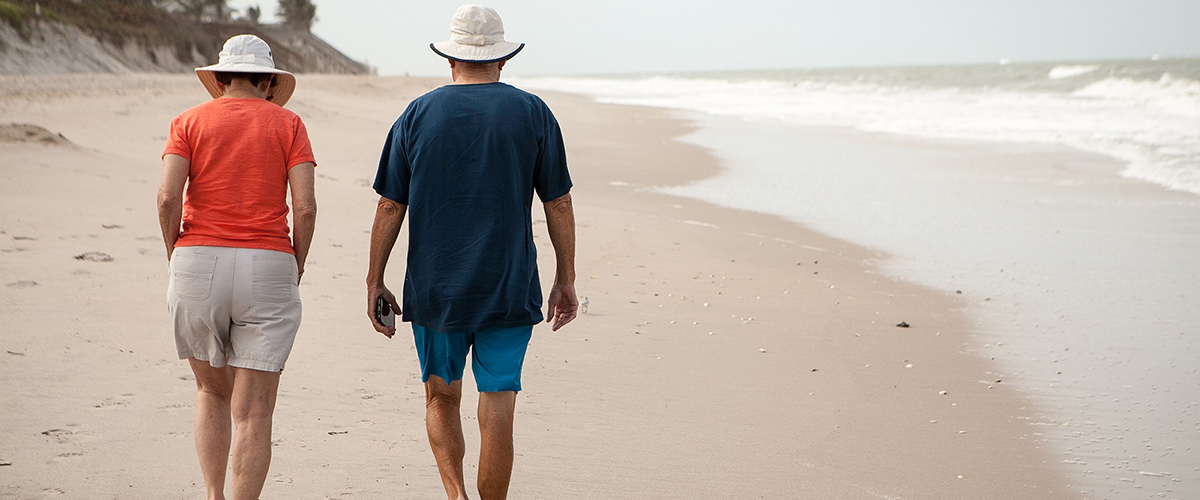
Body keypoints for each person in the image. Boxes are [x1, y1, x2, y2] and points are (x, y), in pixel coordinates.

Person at [367, 5, 578, 499]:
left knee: (441, 395)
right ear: (502, 60)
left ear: (450, 60)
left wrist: (374, 280)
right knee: (498, 399)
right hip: (508, 283)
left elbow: (389, 204)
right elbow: (560, 202)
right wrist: (565, 277)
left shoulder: (417, 114)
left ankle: (455, 495)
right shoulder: (532, 112)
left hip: (436, 287)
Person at [157, 34, 316, 500]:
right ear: (268, 81)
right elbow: (304, 208)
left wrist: (177, 252)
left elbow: (168, 197)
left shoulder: (188, 121)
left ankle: (213, 494)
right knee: (255, 411)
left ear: (221, 78)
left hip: (197, 261)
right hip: (268, 263)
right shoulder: (289, 123)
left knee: (211, 391)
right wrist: (296, 263)